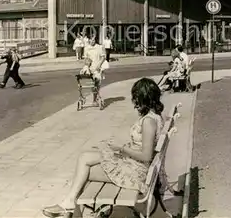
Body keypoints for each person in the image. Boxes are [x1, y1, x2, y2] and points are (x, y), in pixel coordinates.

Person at [42, 78, 165, 218]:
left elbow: (146, 155)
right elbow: (144, 148)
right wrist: (119, 148)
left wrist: (122, 148)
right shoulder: (155, 117)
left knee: (84, 171)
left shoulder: (148, 122)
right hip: (135, 165)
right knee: (85, 157)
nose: (134, 102)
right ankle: (69, 205)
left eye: (136, 98)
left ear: (144, 98)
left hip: (136, 172)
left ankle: (70, 208)